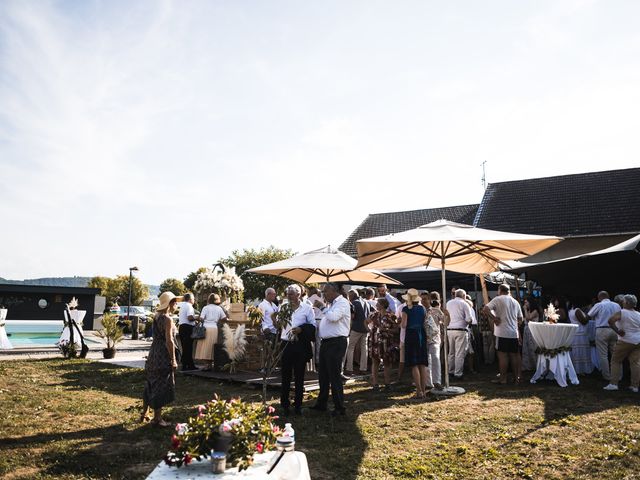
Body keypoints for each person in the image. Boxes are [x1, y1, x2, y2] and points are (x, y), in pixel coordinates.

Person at [311, 283, 351, 416]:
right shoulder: (332, 304)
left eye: (325, 292)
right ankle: (321, 404)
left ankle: (340, 407)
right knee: (323, 375)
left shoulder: (342, 303)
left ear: (334, 291)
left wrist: (322, 307)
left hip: (336, 342)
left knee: (334, 375)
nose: (323, 294)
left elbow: (333, 317)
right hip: (327, 342)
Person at [141, 291, 180, 426]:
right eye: (175, 302)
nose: (176, 304)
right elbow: (169, 341)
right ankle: (157, 418)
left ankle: (144, 412)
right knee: (161, 383)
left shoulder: (157, 316)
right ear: (169, 303)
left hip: (154, 352)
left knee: (151, 381)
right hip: (163, 353)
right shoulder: (167, 319)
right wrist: (173, 359)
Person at [280, 285, 316, 414]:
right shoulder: (283, 307)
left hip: (300, 344)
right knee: (285, 375)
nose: (288, 296)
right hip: (286, 343)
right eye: (288, 294)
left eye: (291, 294)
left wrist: (301, 329)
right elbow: (280, 324)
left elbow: (313, 326)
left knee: (299, 375)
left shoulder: (307, 308)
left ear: (298, 295)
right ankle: (284, 404)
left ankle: (298, 405)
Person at [482, 284, 523, 385]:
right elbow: (520, 319)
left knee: (503, 357)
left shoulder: (497, 299)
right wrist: (514, 325)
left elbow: (485, 309)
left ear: (499, 290)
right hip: (514, 333)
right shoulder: (515, 302)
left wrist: (494, 318)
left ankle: (503, 379)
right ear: (509, 291)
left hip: (502, 333)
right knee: (514, 356)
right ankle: (516, 378)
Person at [603, 294, 640, 392]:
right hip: (637, 341)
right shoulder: (638, 314)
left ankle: (613, 384)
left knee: (615, 361)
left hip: (625, 340)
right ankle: (635, 386)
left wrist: (618, 331)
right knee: (635, 363)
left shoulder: (622, 312)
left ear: (627, 303)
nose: (622, 302)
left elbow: (610, 321)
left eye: (623, 301)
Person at [583, 291, 621, 382]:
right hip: (614, 329)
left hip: (602, 330)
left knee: (603, 355)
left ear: (599, 297)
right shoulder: (616, 305)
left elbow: (587, 317)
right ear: (608, 296)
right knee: (616, 354)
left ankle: (607, 376)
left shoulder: (598, 305)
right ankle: (618, 376)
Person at [401, 289, 430, 398]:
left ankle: (419, 391)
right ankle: (423, 390)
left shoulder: (406, 309)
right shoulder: (422, 308)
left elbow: (404, 325)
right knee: (422, 364)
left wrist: (399, 322)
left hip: (411, 335)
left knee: (414, 364)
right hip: (421, 334)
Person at [367, 297, 400, 390]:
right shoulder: (374, 315)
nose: (376, 305)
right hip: (375, 341)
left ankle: (387, 383)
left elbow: (396, 330)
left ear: (382, 305)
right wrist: (369, 330)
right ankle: (375, 384)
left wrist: (386, 329)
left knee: (387, 362)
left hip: (386, 342)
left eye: (378, 303)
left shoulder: (391, 316)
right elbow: (365, 322)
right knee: (375, 361)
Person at [194, 293, 227, 371]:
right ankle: (210, 365)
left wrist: (197, 318)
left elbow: (201, 318)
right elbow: (225, 318)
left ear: (209, 299)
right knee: (212, 347)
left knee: (205, 347)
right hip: (214, 328)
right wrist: (218, 319)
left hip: (206, 328)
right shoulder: (219, 308)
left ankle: (207, 365)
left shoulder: (205, 308)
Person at [445, 289, 473, 380]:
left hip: (449, 329)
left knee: (451, 352)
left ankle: (450, 371)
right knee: (459, 353)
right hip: (461, 330)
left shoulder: (448, 303)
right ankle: (458, 373)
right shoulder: (465, 304)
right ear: (464, 296)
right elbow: (469, 319)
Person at [345, 289, 370, 375]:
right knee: (364, 348)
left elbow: (352, 316)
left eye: (349, 296)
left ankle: (349, 369)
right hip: (365, 328)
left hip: (356, 328)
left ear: (351, 296)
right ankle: (363, 368)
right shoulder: (366, 301)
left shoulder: (354, 303)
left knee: (351, 348)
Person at [423, 291, 444, 389]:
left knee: (435, 357)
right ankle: (428, 382)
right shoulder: (419, 311)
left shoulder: (436, 310)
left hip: (435, 338)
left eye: (425, 299)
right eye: (421, 299)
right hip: (423, 339)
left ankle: (437, 381)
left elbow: (445, 321)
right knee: (426, 360)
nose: (423, 301)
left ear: (429, 300)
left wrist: (447, 315)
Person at [569, 301, 593, 375]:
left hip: (575, 332)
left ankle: (577, 368)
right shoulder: (577, 310)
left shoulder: (570, 311)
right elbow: (584, 321)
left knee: (577, 351)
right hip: (580, 332)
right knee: (582, 351)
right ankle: (582, 370)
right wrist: (588, 316)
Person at [178, 293, 198, 371]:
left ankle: (187, 365)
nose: (194, 300)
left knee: (185, 347)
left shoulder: (182, 305)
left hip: (182, 327)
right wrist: (197, 318)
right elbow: (189, 317)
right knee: (188, 347)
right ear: (190, 299)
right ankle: (188, 366)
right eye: (193, 299)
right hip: (188, 328)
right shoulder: (189, 306)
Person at [521, 297, 540, 372]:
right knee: (526, 348)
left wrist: (525, 309)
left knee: (533, 348)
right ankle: (527, 366)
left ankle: (536, 365)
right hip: (527, 330)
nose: (525, 304)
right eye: (524, 302)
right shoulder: (528, 310)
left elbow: (528, 318)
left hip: (533, 331)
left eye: (526, 302)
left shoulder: (535, 311)